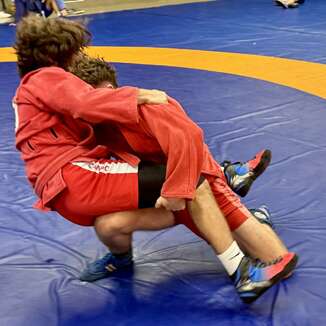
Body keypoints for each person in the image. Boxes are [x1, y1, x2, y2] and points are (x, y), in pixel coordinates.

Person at [13, 15, 297, 304]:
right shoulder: (47, 79)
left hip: (79, 186)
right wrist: (136, 96)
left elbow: (187, 137)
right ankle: (241, 269)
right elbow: (84, 102)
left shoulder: (55, 97)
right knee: (190, 187)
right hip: (76, 179)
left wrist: (185, 186)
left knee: (125, 217)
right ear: (59, 53)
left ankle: (230, 193)